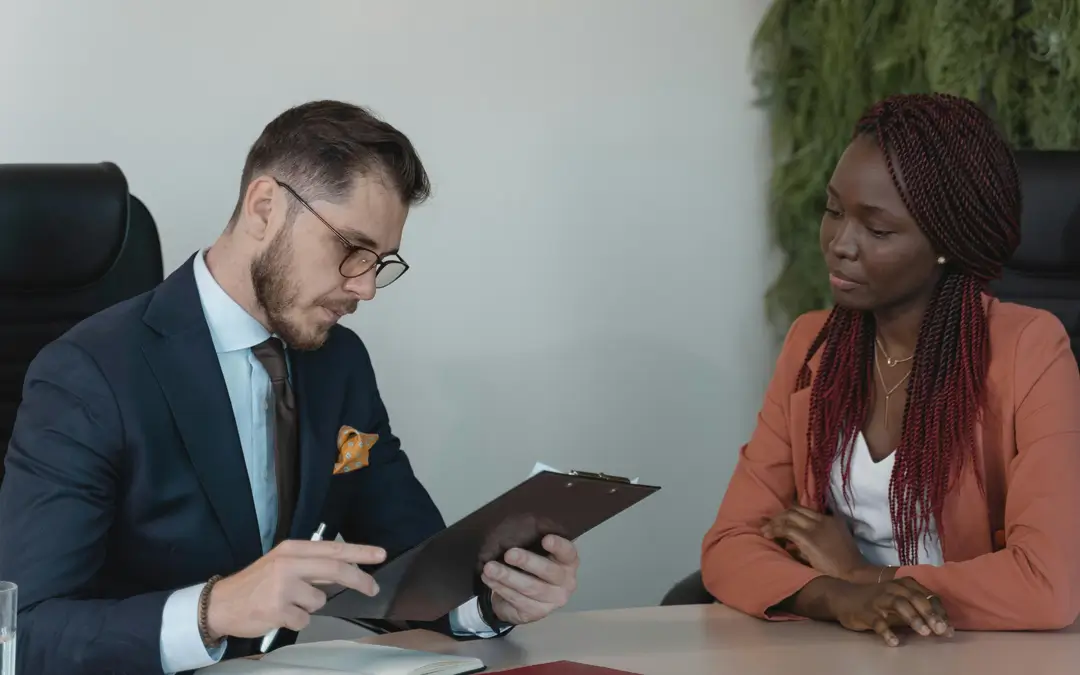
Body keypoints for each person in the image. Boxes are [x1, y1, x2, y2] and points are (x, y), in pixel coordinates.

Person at [0, 100, 580, 675]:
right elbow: (25, 632)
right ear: (263, 207)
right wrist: (214, 609)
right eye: (351, 249)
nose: (366, 288)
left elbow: (404, 563)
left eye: (380, 262)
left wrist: (493, 598)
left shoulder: (340, 362)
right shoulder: (88, 373)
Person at [701, 92, 1080, 645]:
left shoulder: (1031, 350)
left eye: (877, 231)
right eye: (833, 211)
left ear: (947, 244)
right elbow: (729, 543)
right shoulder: (814, 345)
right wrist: (841, 596)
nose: (840, 245)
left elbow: (1047, 584)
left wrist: (865, 575)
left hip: (967, 648)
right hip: (837, 641)